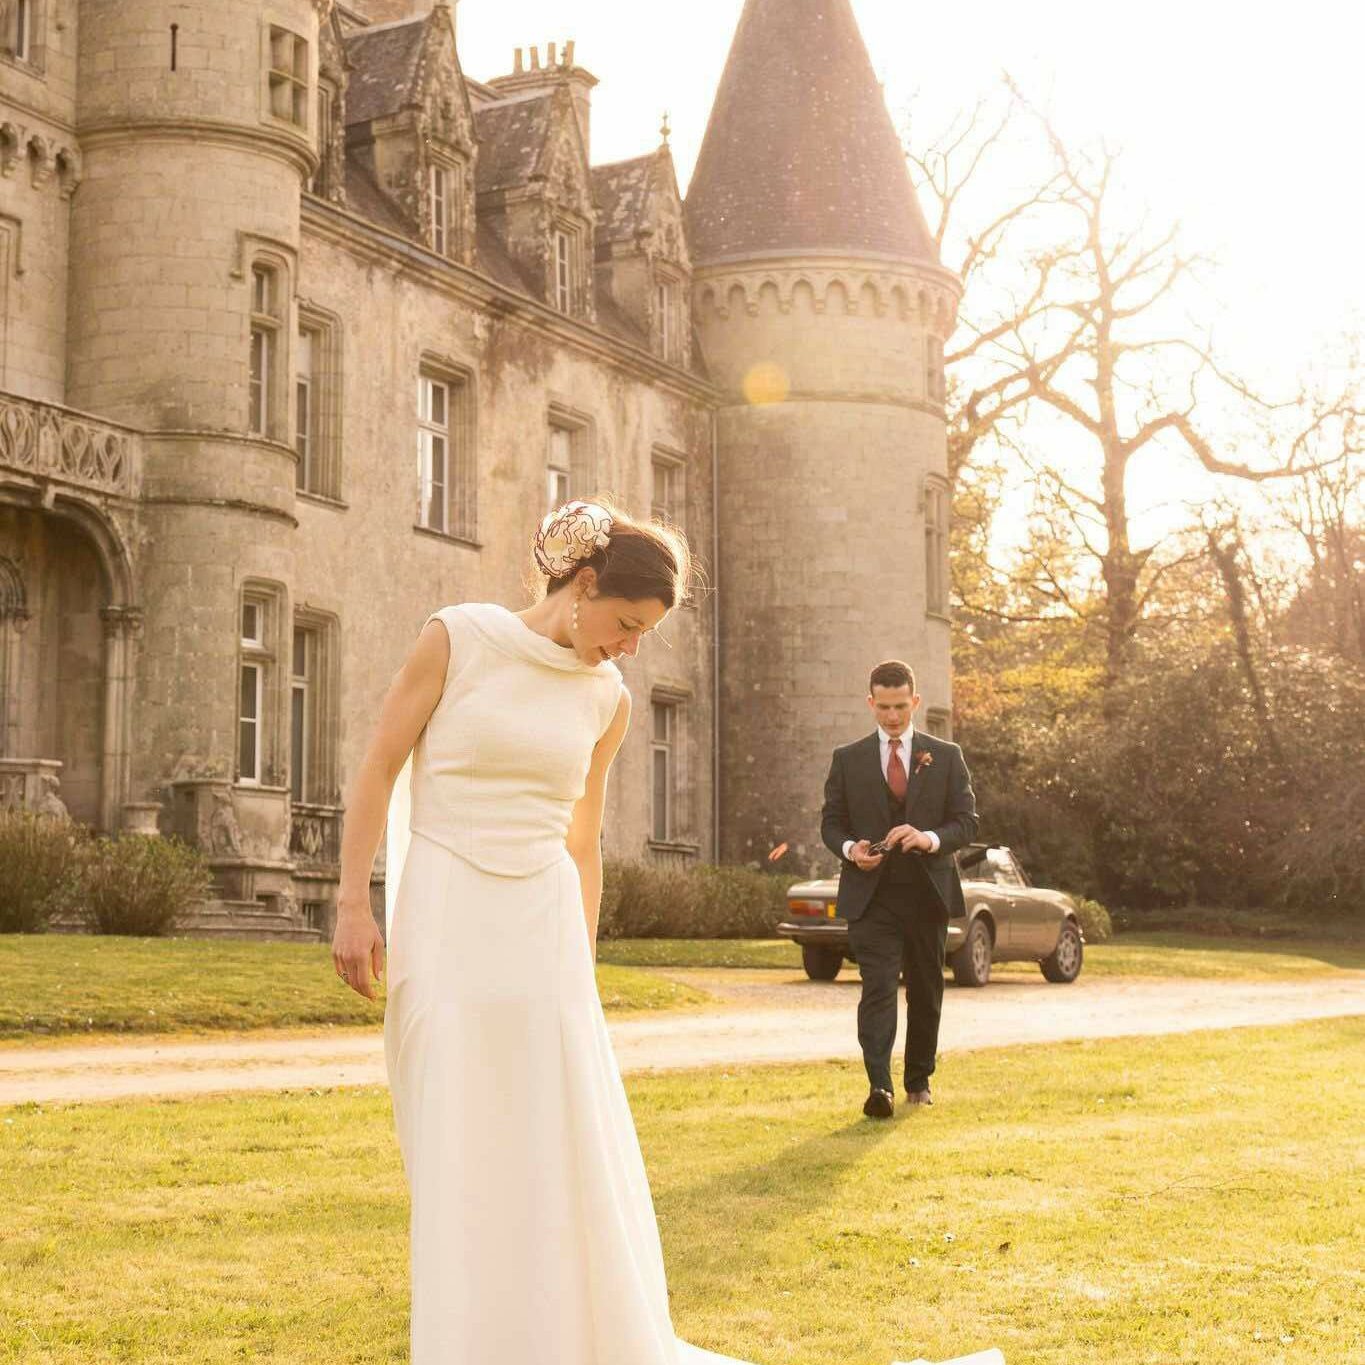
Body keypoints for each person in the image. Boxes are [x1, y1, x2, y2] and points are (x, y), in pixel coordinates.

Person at [332, 500, 1000, 1365]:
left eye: (645, 633)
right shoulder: (456, 638)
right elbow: (379, 765)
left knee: (553, 1135)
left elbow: (581, 843)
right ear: (582, 584)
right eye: (627, 623)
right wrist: (353, 904)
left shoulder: (605, 699)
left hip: (542, 929)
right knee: (454, 1126)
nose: (631, 647)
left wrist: (577, 966)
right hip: (446, 910)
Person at [820, 661, 979, 1119]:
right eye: (884, 707)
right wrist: (851, 849)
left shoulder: (946, 755)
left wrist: (927, 838)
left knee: (926, 989)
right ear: (871, 703)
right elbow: (831, 824)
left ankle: (918, 1081)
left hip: (928, 894)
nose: (892, 716)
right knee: (878, 987)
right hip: (871, 897)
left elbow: (967, 823)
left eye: (900, 707)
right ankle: (879, 1087)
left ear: (915, 702)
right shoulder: (847, 759)